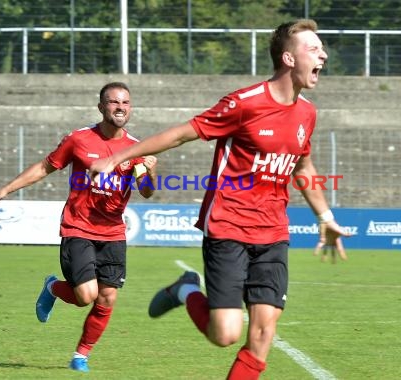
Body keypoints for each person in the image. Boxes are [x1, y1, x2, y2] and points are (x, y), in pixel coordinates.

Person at [89, 19, 351, 379]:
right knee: (225, 334)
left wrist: (325, 216)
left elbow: (303, 165)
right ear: (289, 58)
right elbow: (183, 133)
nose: (323, 54)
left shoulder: (307, 112)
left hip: (273, 233)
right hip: (228, 227)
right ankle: (186, 292)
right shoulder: (244, 104)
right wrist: (116, 158)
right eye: (314, 48)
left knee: (262, 336)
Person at [0, 82, 158, 373]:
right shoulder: (79, 139)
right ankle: (52, 287)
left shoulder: (136, 147)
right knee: (85, 297)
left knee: (107, 297)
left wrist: (151, 169)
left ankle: (81, 355)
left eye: (125, 102)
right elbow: (44, 167)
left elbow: (147, 191)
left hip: (113, 232)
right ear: (101, 106)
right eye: (114, 102)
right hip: (78, 226)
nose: (120, 107)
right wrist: (6, 189)